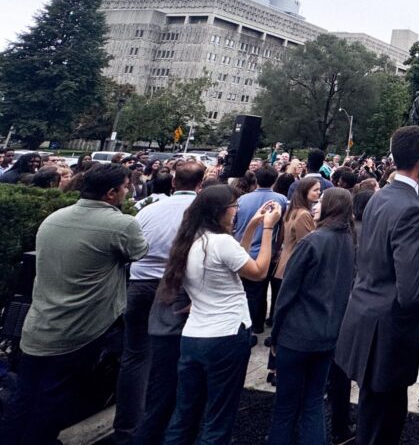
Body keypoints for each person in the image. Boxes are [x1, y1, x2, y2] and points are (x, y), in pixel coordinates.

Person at [0, 164, 148, 445]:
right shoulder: (121, 224)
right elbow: (140, 252)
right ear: (112, 193)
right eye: (126, 186)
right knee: (54, 398)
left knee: (26, 394)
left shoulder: (54, 217)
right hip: (83, 327)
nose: (128, 191)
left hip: (41, 321)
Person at [336, 126, 419, 445]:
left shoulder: (378, 197)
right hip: (388, 335)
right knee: (383, 428)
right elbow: (411, 293)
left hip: (364, 322)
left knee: (373, 421)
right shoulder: (411, 209)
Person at [160, 186, 281, 445]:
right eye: (234, 206)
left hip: (194, 335)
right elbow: (258, 271)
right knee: (219, 416)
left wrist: (252, 225)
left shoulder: (190, 240)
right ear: (219, 212)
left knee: (185, 413)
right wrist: (268, 229)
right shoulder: (221, 243)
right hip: (226, 336)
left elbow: (237, 259)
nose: (236, 211)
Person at [112, 161, 204, 445]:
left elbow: (131, 246)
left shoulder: (147, 209)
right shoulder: (200, 213)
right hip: (175, 288)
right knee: (171, 360)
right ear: (200, 185)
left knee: (135, 356)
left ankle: (127, 430)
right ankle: (160, 427)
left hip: (139, 286)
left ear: (174, 182)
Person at [267, 188, 357, 445]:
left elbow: (286, 293)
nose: (316, 206)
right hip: (328, 335)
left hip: (297, 335)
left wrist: (275, 334)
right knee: (313, 404)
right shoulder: (347, 240)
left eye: (320, 202)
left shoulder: (312, 242)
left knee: (285, 407)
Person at [235, 166, 288, 334]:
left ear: (256, 180)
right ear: (275, 181)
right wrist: (277, 248)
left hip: (243, 249)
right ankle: (256, 324)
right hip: (266, 251)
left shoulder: (242, 199)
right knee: (261, 289)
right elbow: (282, 228)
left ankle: (244, 323)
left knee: (243, 290)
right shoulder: (280, 200)